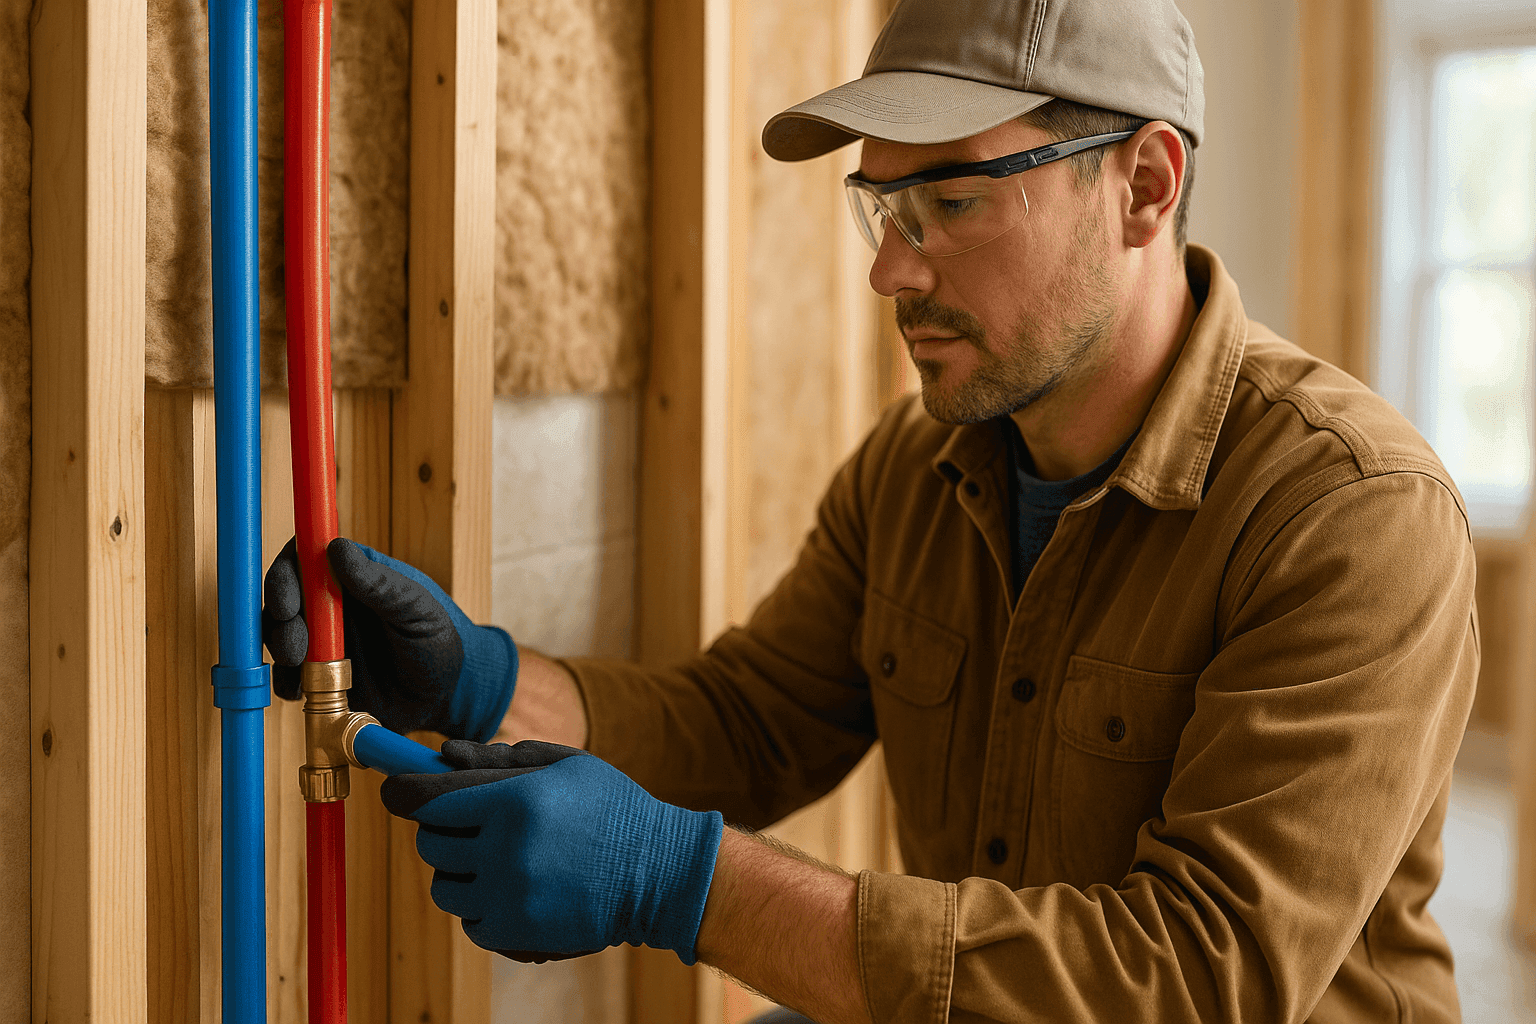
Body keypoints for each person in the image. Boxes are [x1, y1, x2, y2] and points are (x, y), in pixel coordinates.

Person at [263, 0, 1478, 1020]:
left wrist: (682, 882)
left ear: (1144, 185)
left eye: (954, 202)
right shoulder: (921, 466)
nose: (892, 268)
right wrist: (479, 681)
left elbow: (1197, 974)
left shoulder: (1351, 515)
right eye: (884, 208)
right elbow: (750, 722)